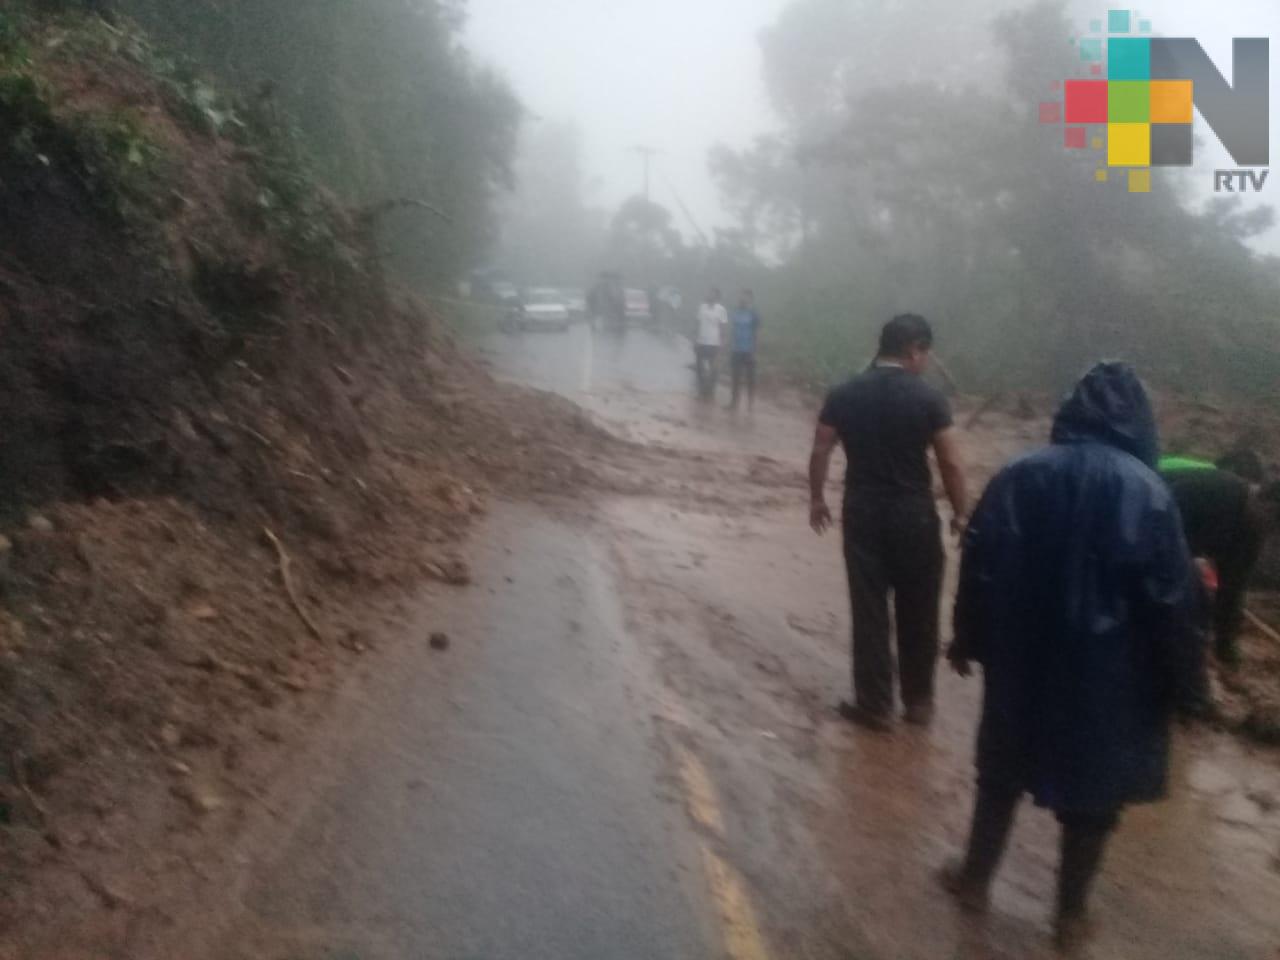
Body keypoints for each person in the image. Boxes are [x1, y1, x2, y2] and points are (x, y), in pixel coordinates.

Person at [943, 362, 1202, 951]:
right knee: (1093, 793)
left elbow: (979, 565)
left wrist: (968, 638)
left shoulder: (1020, 474)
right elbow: (1171, 602)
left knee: (1001, 771)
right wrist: (1187, 687)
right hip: (1110, 673)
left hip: (1023, 657)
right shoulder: (1150, 492)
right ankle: (1068, 916)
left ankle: (973, 880)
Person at [808, 314, 967, 730]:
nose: (926, 362)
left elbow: (822, 447)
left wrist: (817, 498)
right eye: (925, 353)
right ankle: (918, 702)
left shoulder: (844, 392)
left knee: (870, 608)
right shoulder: (929, 399)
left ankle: (875, 704)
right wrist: (961, 512)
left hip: (863, 511)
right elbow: (950, 461)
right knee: (920, 607)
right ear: (914, 349)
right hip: (913, 514)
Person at [1160, 465, 1280, 666]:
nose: (1267, 528)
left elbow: (1232, 589)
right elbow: (1160, 510)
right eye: (1270, 518)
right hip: (1146, 526)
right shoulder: (1219, 489)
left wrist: (1226, 646)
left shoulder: (1251, 536)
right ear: (1262, 499)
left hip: (1178, 554)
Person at [729, 290, 762, 410]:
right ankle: (734, 403)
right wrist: (730, 345)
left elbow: (757, 334)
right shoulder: (736, 312)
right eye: (740, 296)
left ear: (750, 299)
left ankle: (750, 404)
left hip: (749, 350)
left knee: (750, 379)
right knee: (735, 377)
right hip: (736, 349)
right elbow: (733, 330)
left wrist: (755, 352)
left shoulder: (754, 314)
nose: (742, 298)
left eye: (745, 297)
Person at [694, 288, 728, 400]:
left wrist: (722, 345)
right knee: (699, 367)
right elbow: (698, 324)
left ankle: (710, 392)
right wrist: (695, 339)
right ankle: (701, 390)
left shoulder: (721, 310)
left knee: (713, 369)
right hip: (701, 342)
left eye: (712, 294)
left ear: (717, 296)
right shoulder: (702, 307)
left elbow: (723, 328)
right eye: (708, 293)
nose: (709, 295)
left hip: (714, 343)